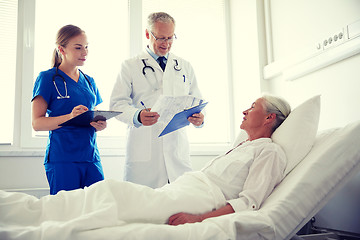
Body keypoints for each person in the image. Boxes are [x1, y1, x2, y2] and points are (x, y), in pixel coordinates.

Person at [2, 94, 291, 233]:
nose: (244, 109)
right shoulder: (242, 145)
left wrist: (199, 219)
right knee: (110, 193)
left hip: (199, 198)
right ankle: (32, 212)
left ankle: (38, 225)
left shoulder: (269, 152)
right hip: (185, 186)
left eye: (252, 107)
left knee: (113, 194)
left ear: (269, 118)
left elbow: (250, 202)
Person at [109, 12, 205, 188]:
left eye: (170, 38)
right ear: (148, 34)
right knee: (142, 209)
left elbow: (197, 101)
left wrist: (200, 117)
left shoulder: (184, 66)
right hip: (145, 150)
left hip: (177, 150)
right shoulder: (130, 66)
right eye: (161, 38)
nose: (166, 44)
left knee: (179, 205)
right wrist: (137, 115)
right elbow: (116, 105)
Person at [31, 24, 107, 195]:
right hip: (63, 159)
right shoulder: (47, 78)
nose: (85, 52)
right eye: (78, 47)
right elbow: (37, 123)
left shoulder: (89, 81)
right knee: (66, 213)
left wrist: (99, 124)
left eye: (86, 47)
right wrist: (70, 116)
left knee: (98, 208)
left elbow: (92, 116)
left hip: (90, 157)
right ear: (61, 49)